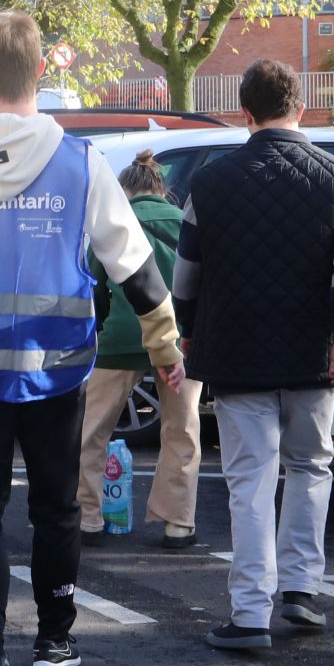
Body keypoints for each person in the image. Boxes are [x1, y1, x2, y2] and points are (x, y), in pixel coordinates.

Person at [0, 12, 182, 666]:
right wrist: (164, 346)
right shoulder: (81, 163)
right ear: (41, 71)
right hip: (55, 367)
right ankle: (55, 640)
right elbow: (135, 266)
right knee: (57, 507)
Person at [173, 58, 334, 652]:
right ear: (300, 108)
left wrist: (188, 330)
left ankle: (250, 613)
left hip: (234, 351)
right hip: (311, 350)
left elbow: (187, 275)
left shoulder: (207, 183)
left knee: (249, 481)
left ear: (245, 114)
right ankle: (303, 590)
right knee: (310, 467)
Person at [77, 149, 199, 550]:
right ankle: (176, 522)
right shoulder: (185, 225)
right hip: (179, 343)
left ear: (125, 190)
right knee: (181, 431)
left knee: (92, 430)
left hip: (118, 340)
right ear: (161, 189)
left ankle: (89, 518)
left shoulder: (115, 226)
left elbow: (96, 288)